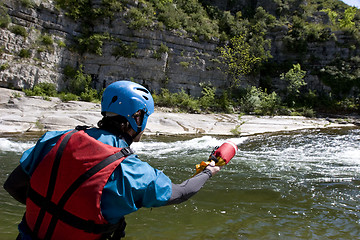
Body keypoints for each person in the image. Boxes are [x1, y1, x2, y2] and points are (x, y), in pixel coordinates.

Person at [3, 81, 225, 240]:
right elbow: (180, 193)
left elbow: (12, 185)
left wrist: (53, 212)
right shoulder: (131, 170)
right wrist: (208, 172)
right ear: (136, 118)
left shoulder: (55, 139)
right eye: (145, 117)